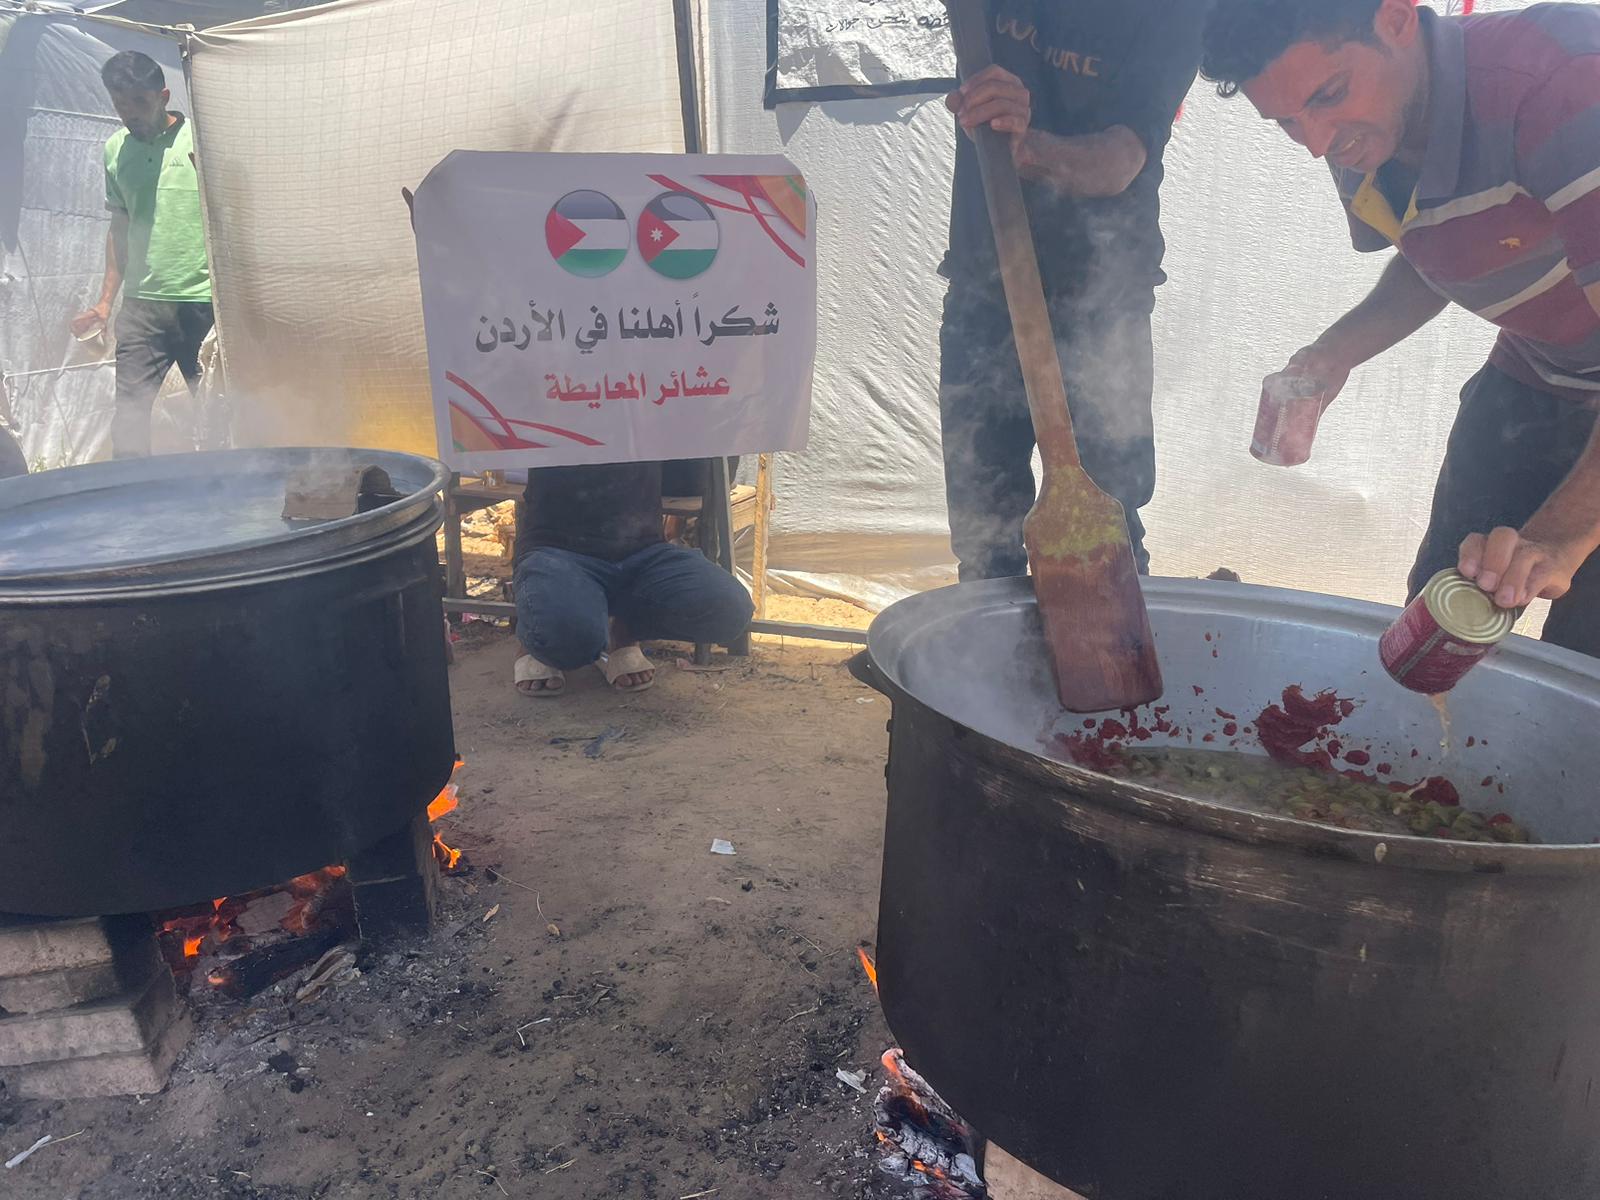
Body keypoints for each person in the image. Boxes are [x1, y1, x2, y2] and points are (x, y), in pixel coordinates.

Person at [1201, 0, 1600, 658]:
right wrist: (1335, 353)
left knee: (1584, 659)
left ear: (1396, 16)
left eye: (1329, 95)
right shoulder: (1360, 127)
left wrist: (1562, 536)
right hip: (1535, 369)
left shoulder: (1566, 81)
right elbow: (1437, 256)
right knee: (1436, 617)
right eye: (1286, 122)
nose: (1317, 143)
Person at [938, 1, 1208, 581]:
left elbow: (1120, 159)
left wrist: (1027, 148)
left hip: (1103, 302)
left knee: (1108, 522)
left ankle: (1114, 634)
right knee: (985, 531)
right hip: (984, 287)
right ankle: (992, 640)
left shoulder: (1175, 10)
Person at [71, 51, 212, 459]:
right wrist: (104, 303)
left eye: (139, 102)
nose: (129, 113)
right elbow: (119, 229)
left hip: (203, 305)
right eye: (120, 104)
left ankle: (227, 491)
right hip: (142, 310)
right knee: (129, 424)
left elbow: (237, 211)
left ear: (163, 96)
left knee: (218, 414)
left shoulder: (201, 139)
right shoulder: (115, 150)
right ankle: (130, 493)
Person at [511, 461, 754, 697]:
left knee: (730, 610)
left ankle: (623, 633)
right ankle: (532, 640)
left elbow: (687, 481)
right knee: (565, 636)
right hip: (556, 550)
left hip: (644, 549)